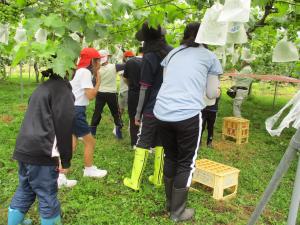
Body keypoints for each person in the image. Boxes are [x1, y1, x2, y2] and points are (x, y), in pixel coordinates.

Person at [153, 22, 222, 222]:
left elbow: (169, 82)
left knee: (171, 157)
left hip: (162, 112)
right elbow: (210, 93)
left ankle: (170, 204)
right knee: (186, 163)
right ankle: (178, 211)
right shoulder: (209, 57)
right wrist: (216, 92)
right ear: (206, 36)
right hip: (186, 115)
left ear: (185, 35)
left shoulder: (173, 53)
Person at [8, 69, 74, 225]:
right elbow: (64, 126)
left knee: (25, 188)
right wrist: (65, 160)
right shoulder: (62, 90)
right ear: (67, 68)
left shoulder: (42, 87)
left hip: (24, 148)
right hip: (42, 150)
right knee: (47, 194)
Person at [123, 22, 172, 190]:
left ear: (147, 40)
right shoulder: (172, 52)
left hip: (152, 107)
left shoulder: (149, 56)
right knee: (161, 141)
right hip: (169, 106)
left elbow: (145, 87)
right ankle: (158, 179)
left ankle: (134, 182)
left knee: (143, 141)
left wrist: (138, 114)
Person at [70, 48, 107, 178]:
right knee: (90, 142)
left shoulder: (78, 71)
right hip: (76, 111)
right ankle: (89, 170)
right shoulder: (85, 72)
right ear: (92, 61)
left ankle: (59, 175)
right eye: (98, 60)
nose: (99, 63)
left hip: (70, 109)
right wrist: (98, 82)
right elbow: (90, 95)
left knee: (72, 144)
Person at [90, 50, 124, 139]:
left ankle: (92, 133)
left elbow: (94, 83)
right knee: (116, 113)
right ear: (107, 57)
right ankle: (118, 134)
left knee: (97, 112)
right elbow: (126, 65)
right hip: (111, 94)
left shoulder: (96, 69)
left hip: (100, 93)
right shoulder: (114, 67)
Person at [122, 49, 143, 148]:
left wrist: (131, 85)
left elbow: (125, 78)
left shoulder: (130, 62)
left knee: (133, 117)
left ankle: (134, 142)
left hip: (133, 93)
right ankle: (146, 142)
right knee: (146, 118)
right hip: (147, 94)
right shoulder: (150, 61)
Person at [232, 53, 254, 117]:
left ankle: (238, 120)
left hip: (241, 90)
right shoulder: (248, 69)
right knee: (237, 105)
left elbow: (239, 77)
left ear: (245, 62)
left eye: (242, 61)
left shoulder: (246, 69)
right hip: (242, 90)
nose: (242, 62)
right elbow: (241, 77)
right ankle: (238, 119)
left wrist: (234, 72)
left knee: (236, 106)